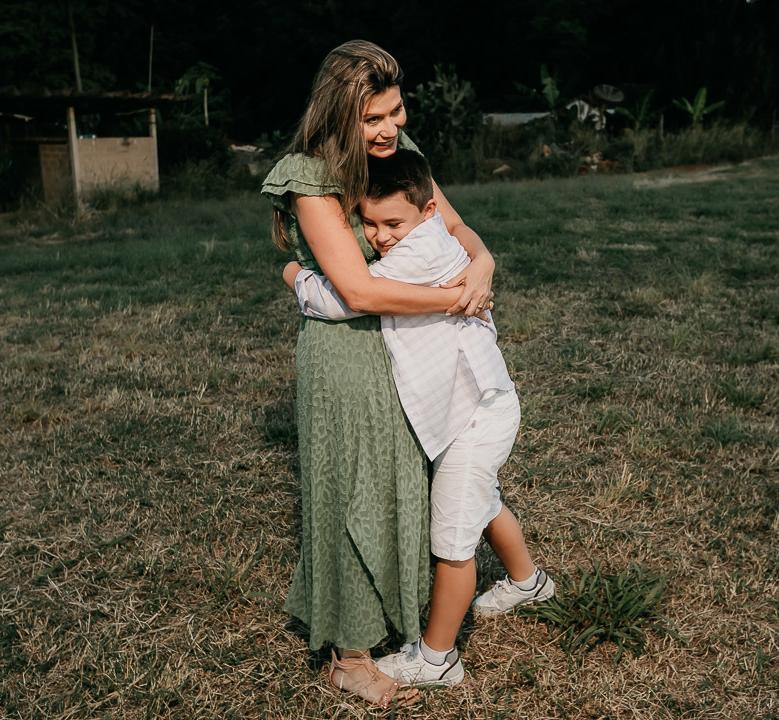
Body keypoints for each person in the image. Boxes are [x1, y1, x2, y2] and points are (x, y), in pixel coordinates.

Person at [261, 40, 495, 708]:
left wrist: (482, 265)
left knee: (401, 482)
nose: (391, 128)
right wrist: (456, 296)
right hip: (346, 358)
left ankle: (394, 619)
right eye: (374, 120)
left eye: (396, 111)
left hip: (410, 348)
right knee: (349, 493)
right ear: (339, 117)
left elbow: (452, 224)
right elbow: (358, 293)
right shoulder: (310, 176)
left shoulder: (399, 154)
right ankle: (351, 657)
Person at [283, 150, 554, 688]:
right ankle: (528, 581)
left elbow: (345, 298)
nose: (381, 236)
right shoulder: (423, 237)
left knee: (452, 543)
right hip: (479, 406)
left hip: (472, 413)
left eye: (393, 223)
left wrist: (294, 274)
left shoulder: (419, 250)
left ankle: (436, 659)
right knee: (482, 499)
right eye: (370, 223)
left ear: (428, 212)